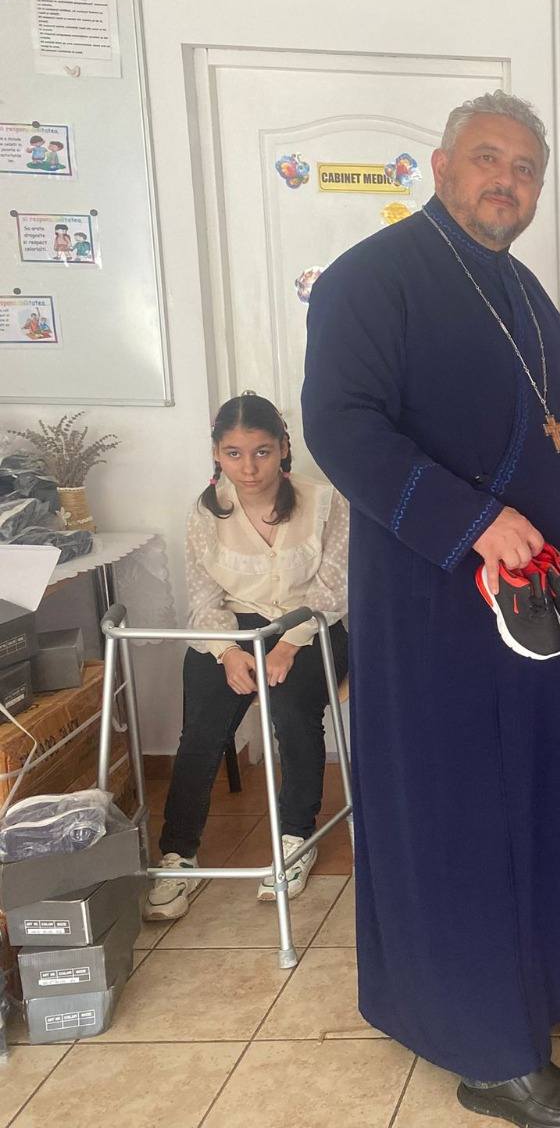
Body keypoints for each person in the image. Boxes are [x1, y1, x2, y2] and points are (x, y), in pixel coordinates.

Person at [302, 90, 560, 1128]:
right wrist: (473, 522)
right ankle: (490, 1052)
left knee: (542, 793)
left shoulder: (523, 290)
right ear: (439, 167)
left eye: (525, 168)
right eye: (488, 158)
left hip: (542, 606)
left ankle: (541, 987)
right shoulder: (370, 279)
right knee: (465, 814)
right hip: (439, 606)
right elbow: (339, 426)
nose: (506, 181)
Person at [146, 393, 349, 922]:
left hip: (308, 627)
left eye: (262, 452)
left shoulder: (325, 502)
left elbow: (334, 588)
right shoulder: (204, 512)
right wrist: (228, 653)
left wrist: (288, 643)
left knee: (292, 714)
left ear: (283, 448)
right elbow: (203, 599)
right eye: (234, 454)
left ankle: (294, 838)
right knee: (202, 731)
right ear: (217, 453)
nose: (249, 468)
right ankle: (178, 854)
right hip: (231, 630)